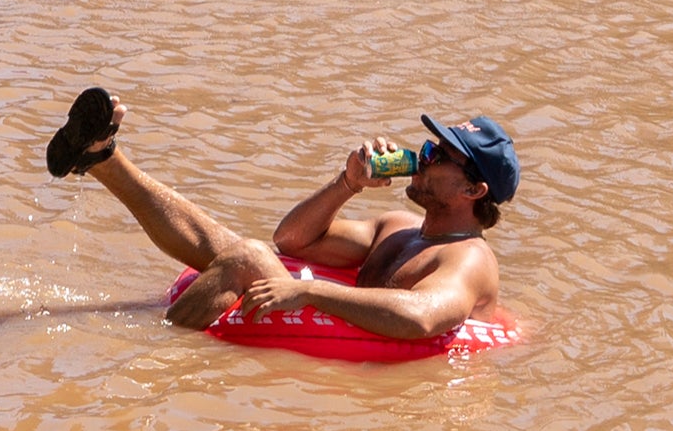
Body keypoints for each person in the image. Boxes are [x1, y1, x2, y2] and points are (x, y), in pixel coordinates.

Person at [44, 89, 515, 338]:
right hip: (337, 319)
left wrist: (309, 292)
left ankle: (145, 340)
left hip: (362, 345)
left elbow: (421, 318)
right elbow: (291, 241)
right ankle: (102, 157)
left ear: (474, 189)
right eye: (429, 146)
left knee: (248, 258)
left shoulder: (469, 260)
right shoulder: (401, 228)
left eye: (439, 156)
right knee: (240, 248)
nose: (424, 156)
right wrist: (347, 183)